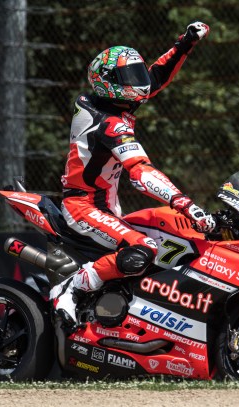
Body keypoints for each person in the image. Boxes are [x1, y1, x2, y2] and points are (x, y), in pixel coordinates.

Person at [50, 22, 216, 328]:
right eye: (130, 77)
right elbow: (140, 173)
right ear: (108, 82)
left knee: (170, 238)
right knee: (144, 248)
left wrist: (185, 43)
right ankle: (70, 289)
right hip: (83, 207)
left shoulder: (106, 103)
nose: (139, 83)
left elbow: (157, 76)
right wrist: (185, 203)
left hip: (106, 207)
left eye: (137, 74)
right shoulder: (109, 123)